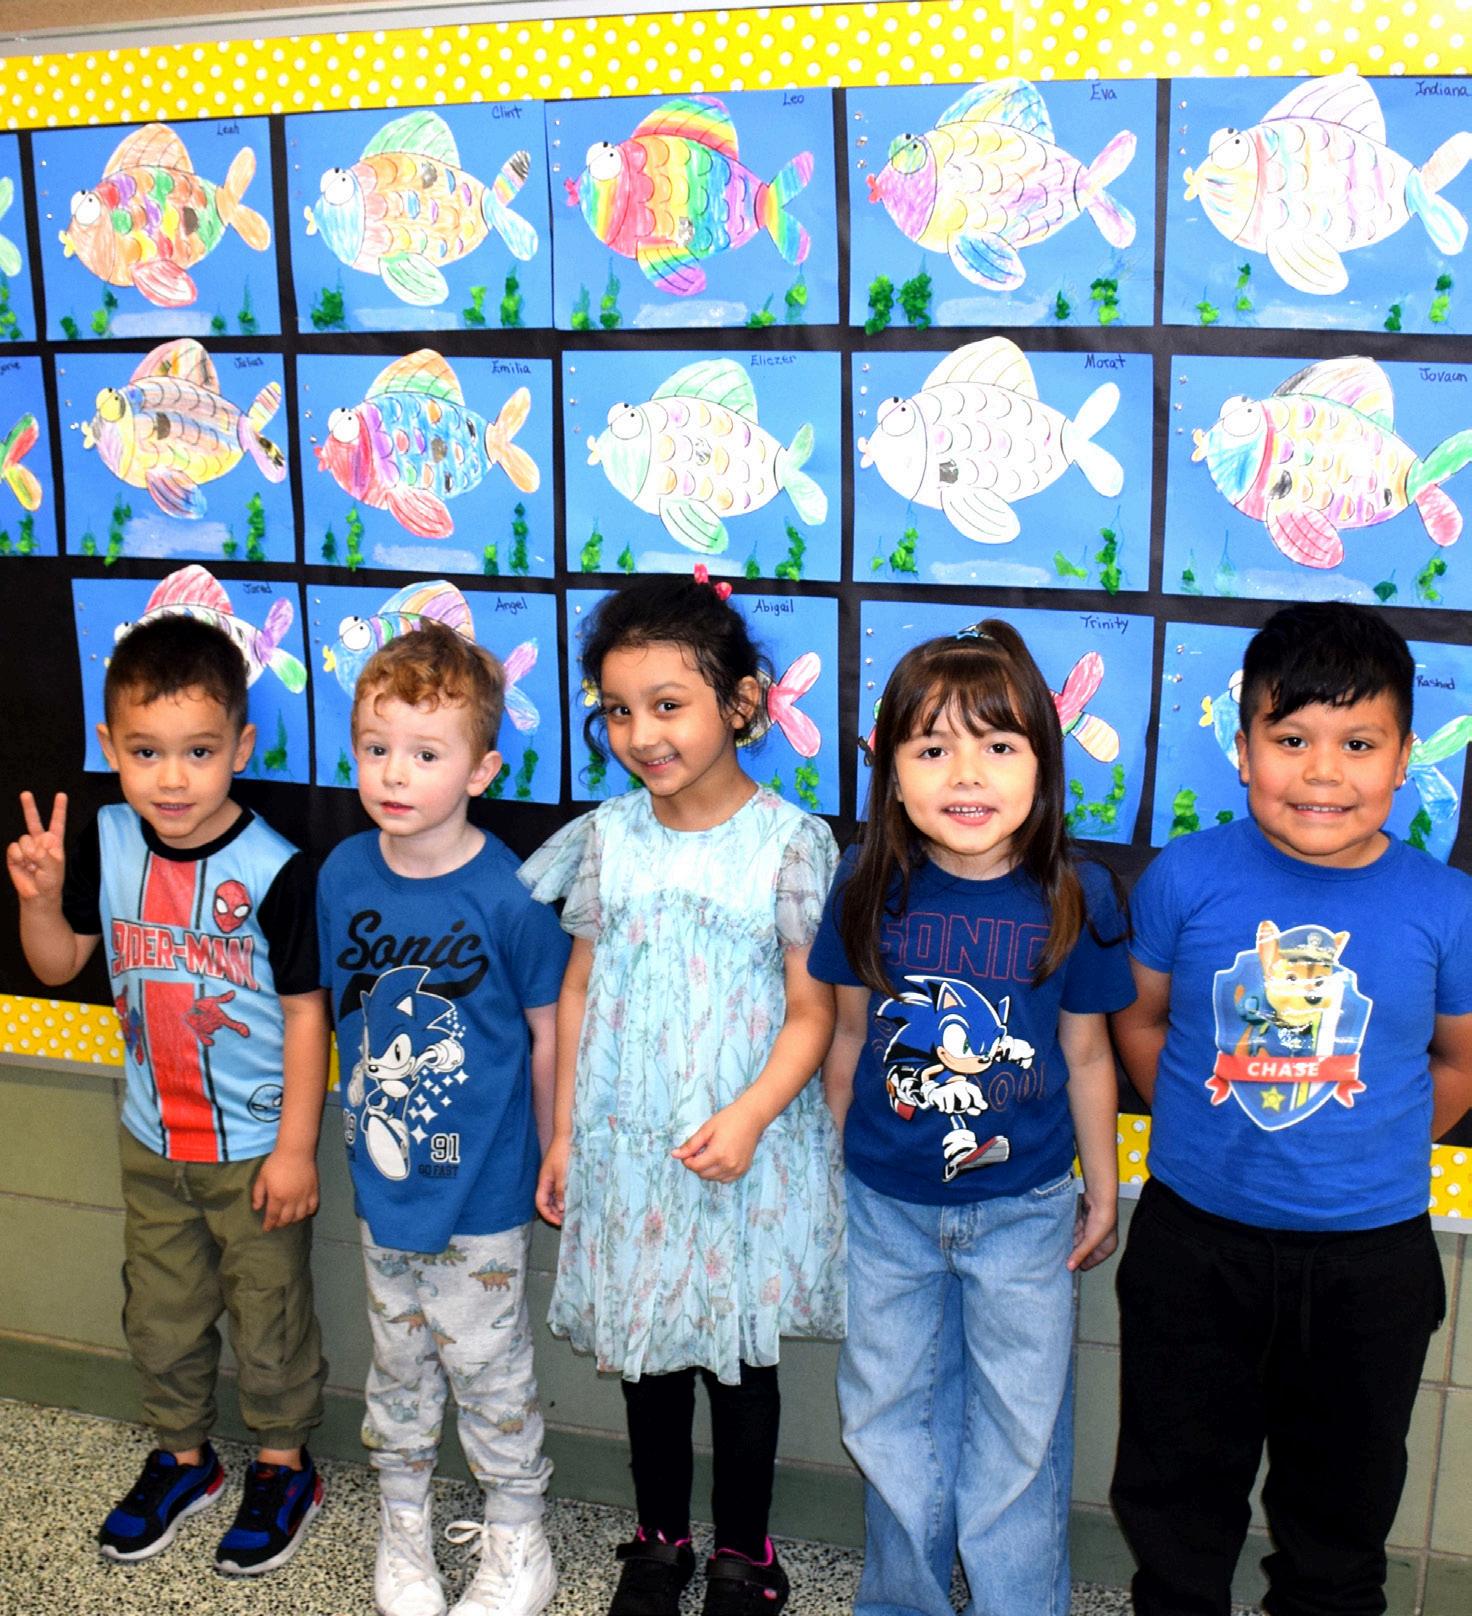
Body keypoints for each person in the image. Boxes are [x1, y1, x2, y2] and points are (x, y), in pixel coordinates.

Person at [1109, 601, 1472, 1616]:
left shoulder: (1444, 905)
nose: (1322, 773)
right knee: (1175, 1487)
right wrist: (1206, 1129)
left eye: (1358, 743)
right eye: (1291, 738)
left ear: (1403, 758)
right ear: (1242, 751)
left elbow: (1457, 1061)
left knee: (1342, 1507)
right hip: (1195, 1245)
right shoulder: (1186, 876)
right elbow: (1140, 1021)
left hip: (1370, 1260)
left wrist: (1364, 1146)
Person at [519, 573, 843, 1616]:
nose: (641, 733)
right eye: (618, 710)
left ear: (741, 702)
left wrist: (748, 1115)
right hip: (627, 1150)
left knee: (739, 1362)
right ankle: (658, 1540)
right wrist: (563, 1132)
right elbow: (577, 989)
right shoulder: (607, 838)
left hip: (742, 1147)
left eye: (667, 704)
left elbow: (812, 1011)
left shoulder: (789, 843)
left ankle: (747, 1552)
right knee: (647, 1357)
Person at [808, 622, 1133, 1616]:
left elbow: (1088, 1054)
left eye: (997, 744)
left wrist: (1102, 1186)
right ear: (892, 774)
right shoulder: (866, 883)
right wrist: (836, 1168)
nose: (966, 773)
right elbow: (847, 1037)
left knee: (1020, 1433)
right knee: (886, 1417)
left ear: (1042, 762)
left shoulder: (1076, 894)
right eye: (931, 747)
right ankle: (900, 1600)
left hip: (1026, 1210)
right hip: (886, 1209)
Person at [5, 614, 328, 1574]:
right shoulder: (106, 841)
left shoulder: (275, 869)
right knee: (160, 1313)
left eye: (199, 751)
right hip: (151, 1140)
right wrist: (38, 899)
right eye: (146, 752)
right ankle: (185, 1457)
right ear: (110, 747)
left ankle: (283, 1464)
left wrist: (297, 1149)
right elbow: (58, 964)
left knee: (269, 1317)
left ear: (241, 747)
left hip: (254, 1151)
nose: (173, 779)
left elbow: (306, 1015)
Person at [316, 622, 568, 1616]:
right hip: (384, 1186)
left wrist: (555, 1146)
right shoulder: (341, 875)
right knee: (400, 1365)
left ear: (480, 769)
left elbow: (547, 1033)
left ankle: (517, 1532)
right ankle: (404, 1522)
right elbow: (328, 1013)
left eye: (426, 753)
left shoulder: (511, 894)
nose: (394, 772)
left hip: (485, 1191)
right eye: (376, 747)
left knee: (490, 1367)